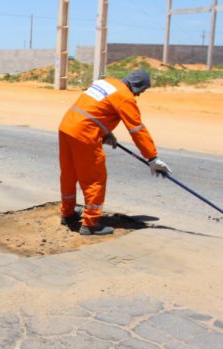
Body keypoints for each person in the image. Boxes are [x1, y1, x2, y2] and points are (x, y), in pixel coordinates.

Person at [58, 69, 172, 235]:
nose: (139, 95)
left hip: (67, 127)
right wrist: (152, 157)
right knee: (94, 179)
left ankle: (67, 214)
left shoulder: (105, 82)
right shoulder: (125, 97)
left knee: (69, 174)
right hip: (84, 134)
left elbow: (94, 108)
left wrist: (104, 132)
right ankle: (90, 224)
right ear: (138, 86)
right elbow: (137, 129)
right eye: (142, 91)